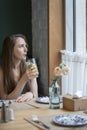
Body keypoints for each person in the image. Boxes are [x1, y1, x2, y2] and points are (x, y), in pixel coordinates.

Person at [0, 34, 39, 102]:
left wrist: (31, 94)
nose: (26, 49)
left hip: (27, 108)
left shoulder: (29, 67)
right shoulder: (2, 71)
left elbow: (36, 95)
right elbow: (5, 99)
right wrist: (23, 79)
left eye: (25, 46)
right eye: (21, 46)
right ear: (11, 50)